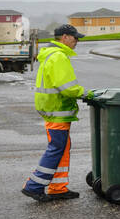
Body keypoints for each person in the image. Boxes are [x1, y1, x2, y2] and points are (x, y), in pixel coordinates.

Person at [22, 24, 92, 202]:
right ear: (65, 37)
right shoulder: (59, 57)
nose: (77, 41)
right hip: (57, 110)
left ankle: (58, 188)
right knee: (56, 149)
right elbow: (67, 88)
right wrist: (88, 93)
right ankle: (33, 186)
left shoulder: (51, 55)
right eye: (75, 38)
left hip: (53, 109)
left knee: (62, 148)